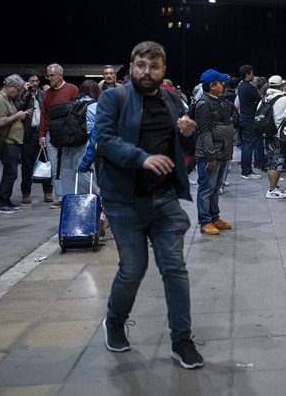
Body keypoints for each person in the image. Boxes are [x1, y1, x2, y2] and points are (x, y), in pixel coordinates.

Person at [94, 41, 203, 369]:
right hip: (123, 201)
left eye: (153, 66)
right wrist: (142, 158)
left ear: (163, 70)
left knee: (174, 268)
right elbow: (105, 139)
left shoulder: (170, 98)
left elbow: (180, 144)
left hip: (165, 199)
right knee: (133, 269)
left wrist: (188, 134)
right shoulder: (114, 97)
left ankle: (181, 339)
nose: (146, 72)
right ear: (131, 66)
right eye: (141, 65)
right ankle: (114, 321)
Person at [194, 69, 234, 236]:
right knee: (206, 188)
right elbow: (204, 132)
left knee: (215, 187)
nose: (223, 85)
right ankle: (205, 221)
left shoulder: (218, 101)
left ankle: (214, 217)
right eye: (220, 83)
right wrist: (210, 156)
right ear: (212, 85)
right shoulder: (204, 104)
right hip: (210, 154)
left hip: (222, 152)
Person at [38, 63, 79, 208]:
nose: (49, 78)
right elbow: (43, 115)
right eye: (47, 76)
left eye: (52, 75)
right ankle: (61, 198)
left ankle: (72, 195)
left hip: (69, 135)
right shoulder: (47, 94)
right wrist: (41, 136)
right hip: (51, 135)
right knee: (55, 167)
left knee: (69, 166)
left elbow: (79, 110)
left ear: (60, 75)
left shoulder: (72, 89)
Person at [0, 75, 33, 214]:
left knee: (11, 173)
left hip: (12, 142)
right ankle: (0, 204)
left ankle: (6, 200)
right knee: (10, 173)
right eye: (18, 90)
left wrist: (22, 114)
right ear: (10, 86)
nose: (19, 93)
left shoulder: (7, 100)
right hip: (7, 142)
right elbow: (1, 121)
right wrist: (18, 116)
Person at [15, 69, 54, 204]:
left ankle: (48, 192)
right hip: (28, 133)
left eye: (37, 81)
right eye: (32, 81)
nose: (35, 83)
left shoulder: (43, 94)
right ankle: (26, 193)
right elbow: (16, 108)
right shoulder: (21, 94)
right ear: (27, 82)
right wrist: (25, 93)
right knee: (27, 164)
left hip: (42, 131)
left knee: (45, 162)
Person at [262, 75, 286, 198]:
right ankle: (272, 190)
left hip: (267, 133)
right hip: (278, 135)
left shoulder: (265, 98)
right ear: (281, 86)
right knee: (277, 163)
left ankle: (274, 187)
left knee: (270, 162)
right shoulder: (283, 99)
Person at [237, 64, 262, 179]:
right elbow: (259, 101)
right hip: (249, 119)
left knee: (245, 146)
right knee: (249, 145)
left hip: (243, 118)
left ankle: (245, 170)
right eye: (252, 73)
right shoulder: (250, 88)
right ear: (248, 74)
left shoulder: (241, 86)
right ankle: (247, 171)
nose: (253, 75)